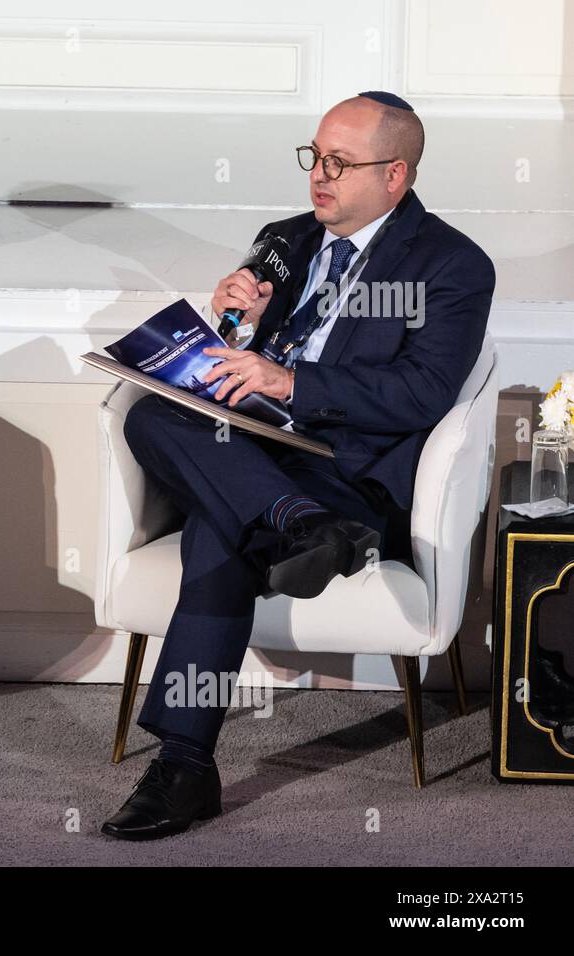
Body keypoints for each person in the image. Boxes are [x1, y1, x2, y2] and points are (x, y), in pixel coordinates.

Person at [101, 91, 494, 840]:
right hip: (257, 453)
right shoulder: (284, 239)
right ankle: (300, 525)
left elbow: (423, 392)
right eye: (314, 156)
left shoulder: (451, 265)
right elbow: (234, 350)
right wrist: (233, 318)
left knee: (221, 528)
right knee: (154, 412)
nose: (320, 175)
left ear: (396, 175)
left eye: (341, 163)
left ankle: (184, 764)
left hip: (347, 468)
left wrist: (291, 382)